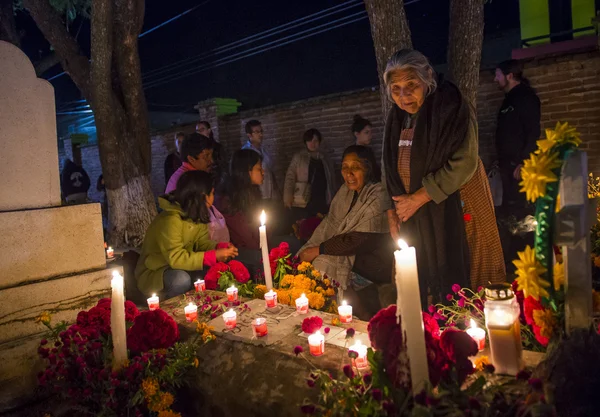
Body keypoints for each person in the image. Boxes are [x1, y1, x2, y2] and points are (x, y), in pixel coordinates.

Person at [381, 49, 505, 304]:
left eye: (411, 85)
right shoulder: (397, 118)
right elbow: (389, 167)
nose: (403, 96)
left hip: (459, 202)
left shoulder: (452, 107)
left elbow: (465, 162)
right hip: (413, 212)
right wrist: (392, 211)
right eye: (396, 89)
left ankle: (475, 329)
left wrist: (418, 198)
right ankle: (433, 329)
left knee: (471, 268)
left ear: (427, 77)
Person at [297, 145, 392, 318]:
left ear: (368, 168)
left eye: (355, 168)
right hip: (353, 254)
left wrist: (318, 250)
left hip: (376, 261)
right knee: (316, 261)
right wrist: (312, 247)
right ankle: (329, 315)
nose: (349, 174)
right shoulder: (345, 192)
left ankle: (358, 318)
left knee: (324, 262)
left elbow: (360, 239)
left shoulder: (379, 195)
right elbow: (330, 223)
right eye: (345, 167)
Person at [135, 171, 238, 299]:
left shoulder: (195, 215)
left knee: (214, 271)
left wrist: (219, 248)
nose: (213, 197)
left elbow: (202, 244)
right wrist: (213, 256)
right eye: (212, 193)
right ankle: (168, 309)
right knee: (181, 280)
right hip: (157, 270)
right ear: (203, 196)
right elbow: (176, 258)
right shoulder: (170, 220)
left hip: (183, 265)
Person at [216, 150, 301, 273]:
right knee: (262, 259)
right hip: (238, 248)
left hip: (258, 240)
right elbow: (243, 236)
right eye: (258, 168)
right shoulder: (229, 198)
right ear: (246, 171)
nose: (263, 172)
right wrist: (264, 247)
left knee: (293, 243)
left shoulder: (253, 192)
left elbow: (262, 225)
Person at [494, 59, 541, 273]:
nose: (495, 79)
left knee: (524, 214)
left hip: (519, 168)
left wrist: (524, 161)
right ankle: (514, 261)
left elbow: (533, 132)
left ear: (509, 75)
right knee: (511, 213)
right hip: (507, 167)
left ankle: (528, 261)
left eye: (498, 75)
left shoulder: (525, 98)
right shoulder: (509, 99)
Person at [165, 133, 229, 243]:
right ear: (191, 159)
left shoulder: (196, 175)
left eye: (210, 156)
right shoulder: (187, 180)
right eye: (206, 156)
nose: (211, 161)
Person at [283, 128, 336, 221]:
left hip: (322, 197)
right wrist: (288, 197)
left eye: (315, 140)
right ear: (305, 142)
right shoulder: (299, 157)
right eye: (309, 140)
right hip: (305, 197)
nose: (313, 143)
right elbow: (290, 177)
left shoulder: (325, 158)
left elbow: (331, 178)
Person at [241, 120, 278, 201]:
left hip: (270, 194)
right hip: (256, 197)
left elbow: (270, 172)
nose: (261, 134)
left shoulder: (264, 150)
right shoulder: (246, 152)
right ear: (249, 135)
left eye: (261, 131)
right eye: (257, 132)